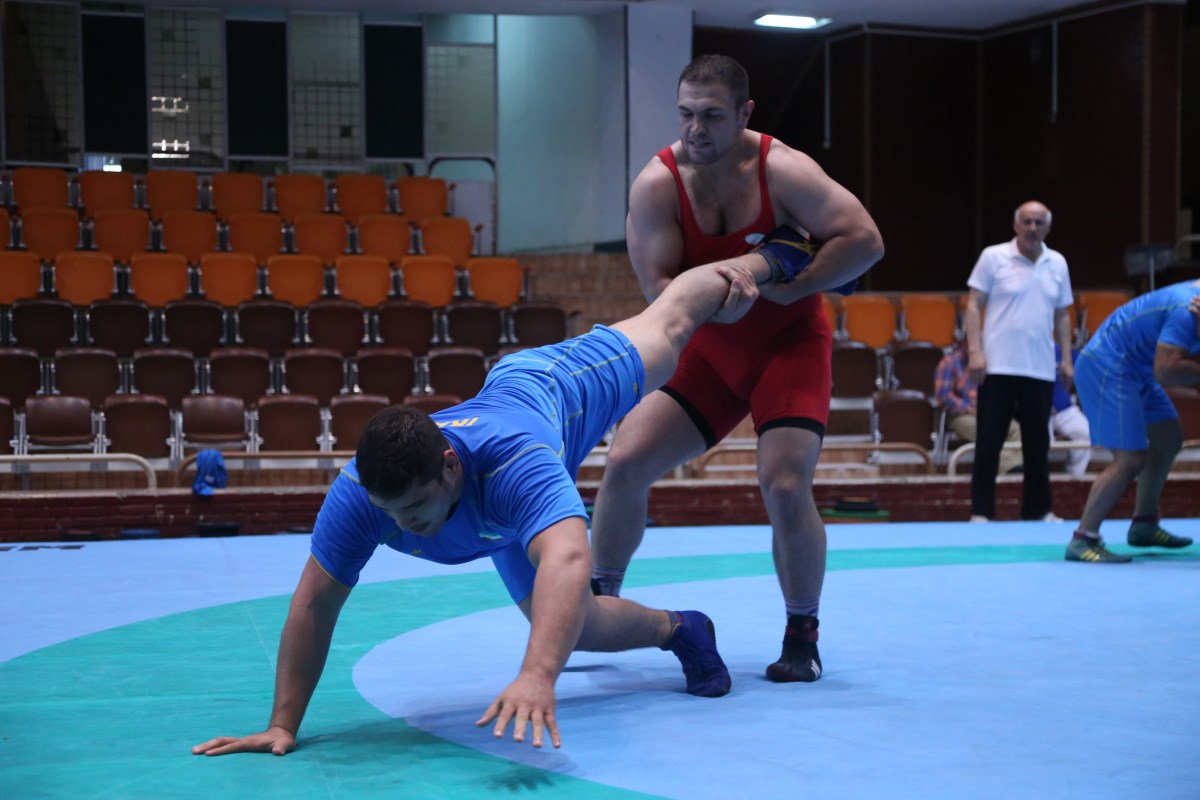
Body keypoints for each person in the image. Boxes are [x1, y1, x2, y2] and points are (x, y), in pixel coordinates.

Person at [192, 225, 817, 757]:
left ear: (449, 468)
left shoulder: (516, 462)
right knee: (576, 626)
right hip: (497, 505)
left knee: (670, 325)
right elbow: (314, 604)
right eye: (391, 513)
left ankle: (768, 256)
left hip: (553, 387)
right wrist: (283, 724)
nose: (403, 526)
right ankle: (682, 628)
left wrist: (537, 674)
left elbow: (569, 557)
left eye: (413, 508)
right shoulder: (361, 493)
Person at [589, 54, 884, 684]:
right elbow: (660, 292)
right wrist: (734, 290)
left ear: (745, 114)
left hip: (789, 343)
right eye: (685, 114)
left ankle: (801, 634)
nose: (695, 129)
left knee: (785, 484)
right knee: (625, 460)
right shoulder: (657, 184)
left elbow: (866, 241)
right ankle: (598, 606)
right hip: (711, 349)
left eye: (712, 116)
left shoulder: (783, 169)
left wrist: (788, 284)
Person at [1063, 283, 1200, 562]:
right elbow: (1167, 371)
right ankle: (1083, 539)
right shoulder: (1186, 310)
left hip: (1137, 370)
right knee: (1130, 459)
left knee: (1168, 438)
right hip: (1109, 367)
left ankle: (1144, 525)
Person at [963, 200, 1073, 523]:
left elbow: (1063, 315)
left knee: (1038, 444)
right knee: (989, 442)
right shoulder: (993, 257)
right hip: (997, 366)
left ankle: (1038, 511)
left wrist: (1067, 360)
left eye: (1039, 222)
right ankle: (981, 512)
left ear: (1048, 228)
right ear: (1015, 225)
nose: (1032, 228)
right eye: (1027, 221)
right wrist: (975, 352)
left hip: (1040, 368)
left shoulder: (1058, 263)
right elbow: (973, 305)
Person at [934, 339, 1023, 477]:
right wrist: (969, 408)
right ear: (964, 343)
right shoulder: (949, 362)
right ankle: (1013, 470)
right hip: (962, 415)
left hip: (990, 411)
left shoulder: (993, 363)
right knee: (988, 431)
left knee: (1016, 429)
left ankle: (1015, 470)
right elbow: (944, 396)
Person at [1050, 344, 1091, 477]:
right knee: (1042, 440)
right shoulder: (1029, 351)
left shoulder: (1064, 351)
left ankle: (1074, 476)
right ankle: (1039, 478)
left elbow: (1086, 376)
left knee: (1086, 433)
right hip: (1039, 410)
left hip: (1065, 409)